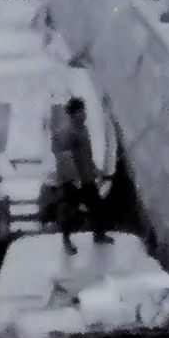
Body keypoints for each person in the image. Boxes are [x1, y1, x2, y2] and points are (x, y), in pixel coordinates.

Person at [51, 97, 113, 255]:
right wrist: (73, 179)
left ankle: (99, 235)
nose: (84, 114)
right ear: (73, 114)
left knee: (97, 207)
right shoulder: (68, 132)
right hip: (74, 181)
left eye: (84, 111)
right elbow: (64, 158)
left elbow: (86, 154)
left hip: (87, 178)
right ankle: (66, 241)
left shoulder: (83, 129)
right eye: (80, 112)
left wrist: (94, 170)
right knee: (70, 212)